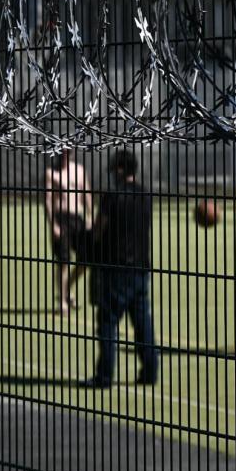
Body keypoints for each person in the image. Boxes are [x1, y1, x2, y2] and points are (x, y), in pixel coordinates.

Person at [78, 149, 158, 389]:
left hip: (116, 267)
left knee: (107, 322)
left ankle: (104, 376)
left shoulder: (112, 197)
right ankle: (150, 371)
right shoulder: (145, 195)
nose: (112, 174)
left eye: (114, 170)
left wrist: (86, 238)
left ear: (121, 170)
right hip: (141, 266)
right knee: (142, 321)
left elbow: (100, 229)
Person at [45, 149, 93, 316]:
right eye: (62, 153)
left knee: (86, 259)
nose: (65, 156)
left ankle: (66, 290)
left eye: (68, 153)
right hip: (61, 218)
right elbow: (48, 200)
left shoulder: (79, 170)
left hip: (77, 219)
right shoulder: (51, 173)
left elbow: (86, 193)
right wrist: (53, 225)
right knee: (63, 261)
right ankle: (63, 302)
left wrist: (90, 216)